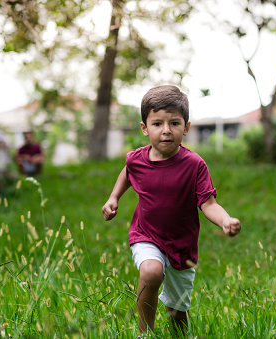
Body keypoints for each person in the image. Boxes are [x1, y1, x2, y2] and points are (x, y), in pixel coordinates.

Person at [102, 85, 241, 336]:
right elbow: (128, 172)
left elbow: (208, 204)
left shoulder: (194, 164)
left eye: (174, 123)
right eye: (157, 124)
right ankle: (145, 334)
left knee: (177, 312)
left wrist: (225, 220)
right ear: (144, 128)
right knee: (151, 271)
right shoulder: (136, 158)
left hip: (181, 246)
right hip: (146, 235)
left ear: (186, 127)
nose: (166, 130)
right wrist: (114, 198)